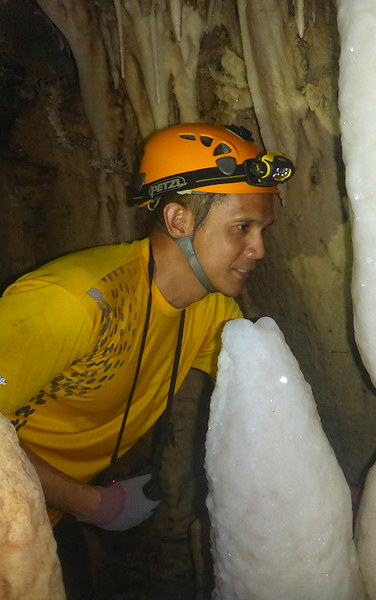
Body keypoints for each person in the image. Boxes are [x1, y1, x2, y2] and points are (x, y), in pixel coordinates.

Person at [0, 123, 293, 597]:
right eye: (242, 228)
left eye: (262, 230)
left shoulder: (211, 309)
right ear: (179, 220)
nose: (258, 250)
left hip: (38, 515)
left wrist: (326, 478)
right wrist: (93, 504)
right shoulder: (73, 303)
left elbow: (271, 402)